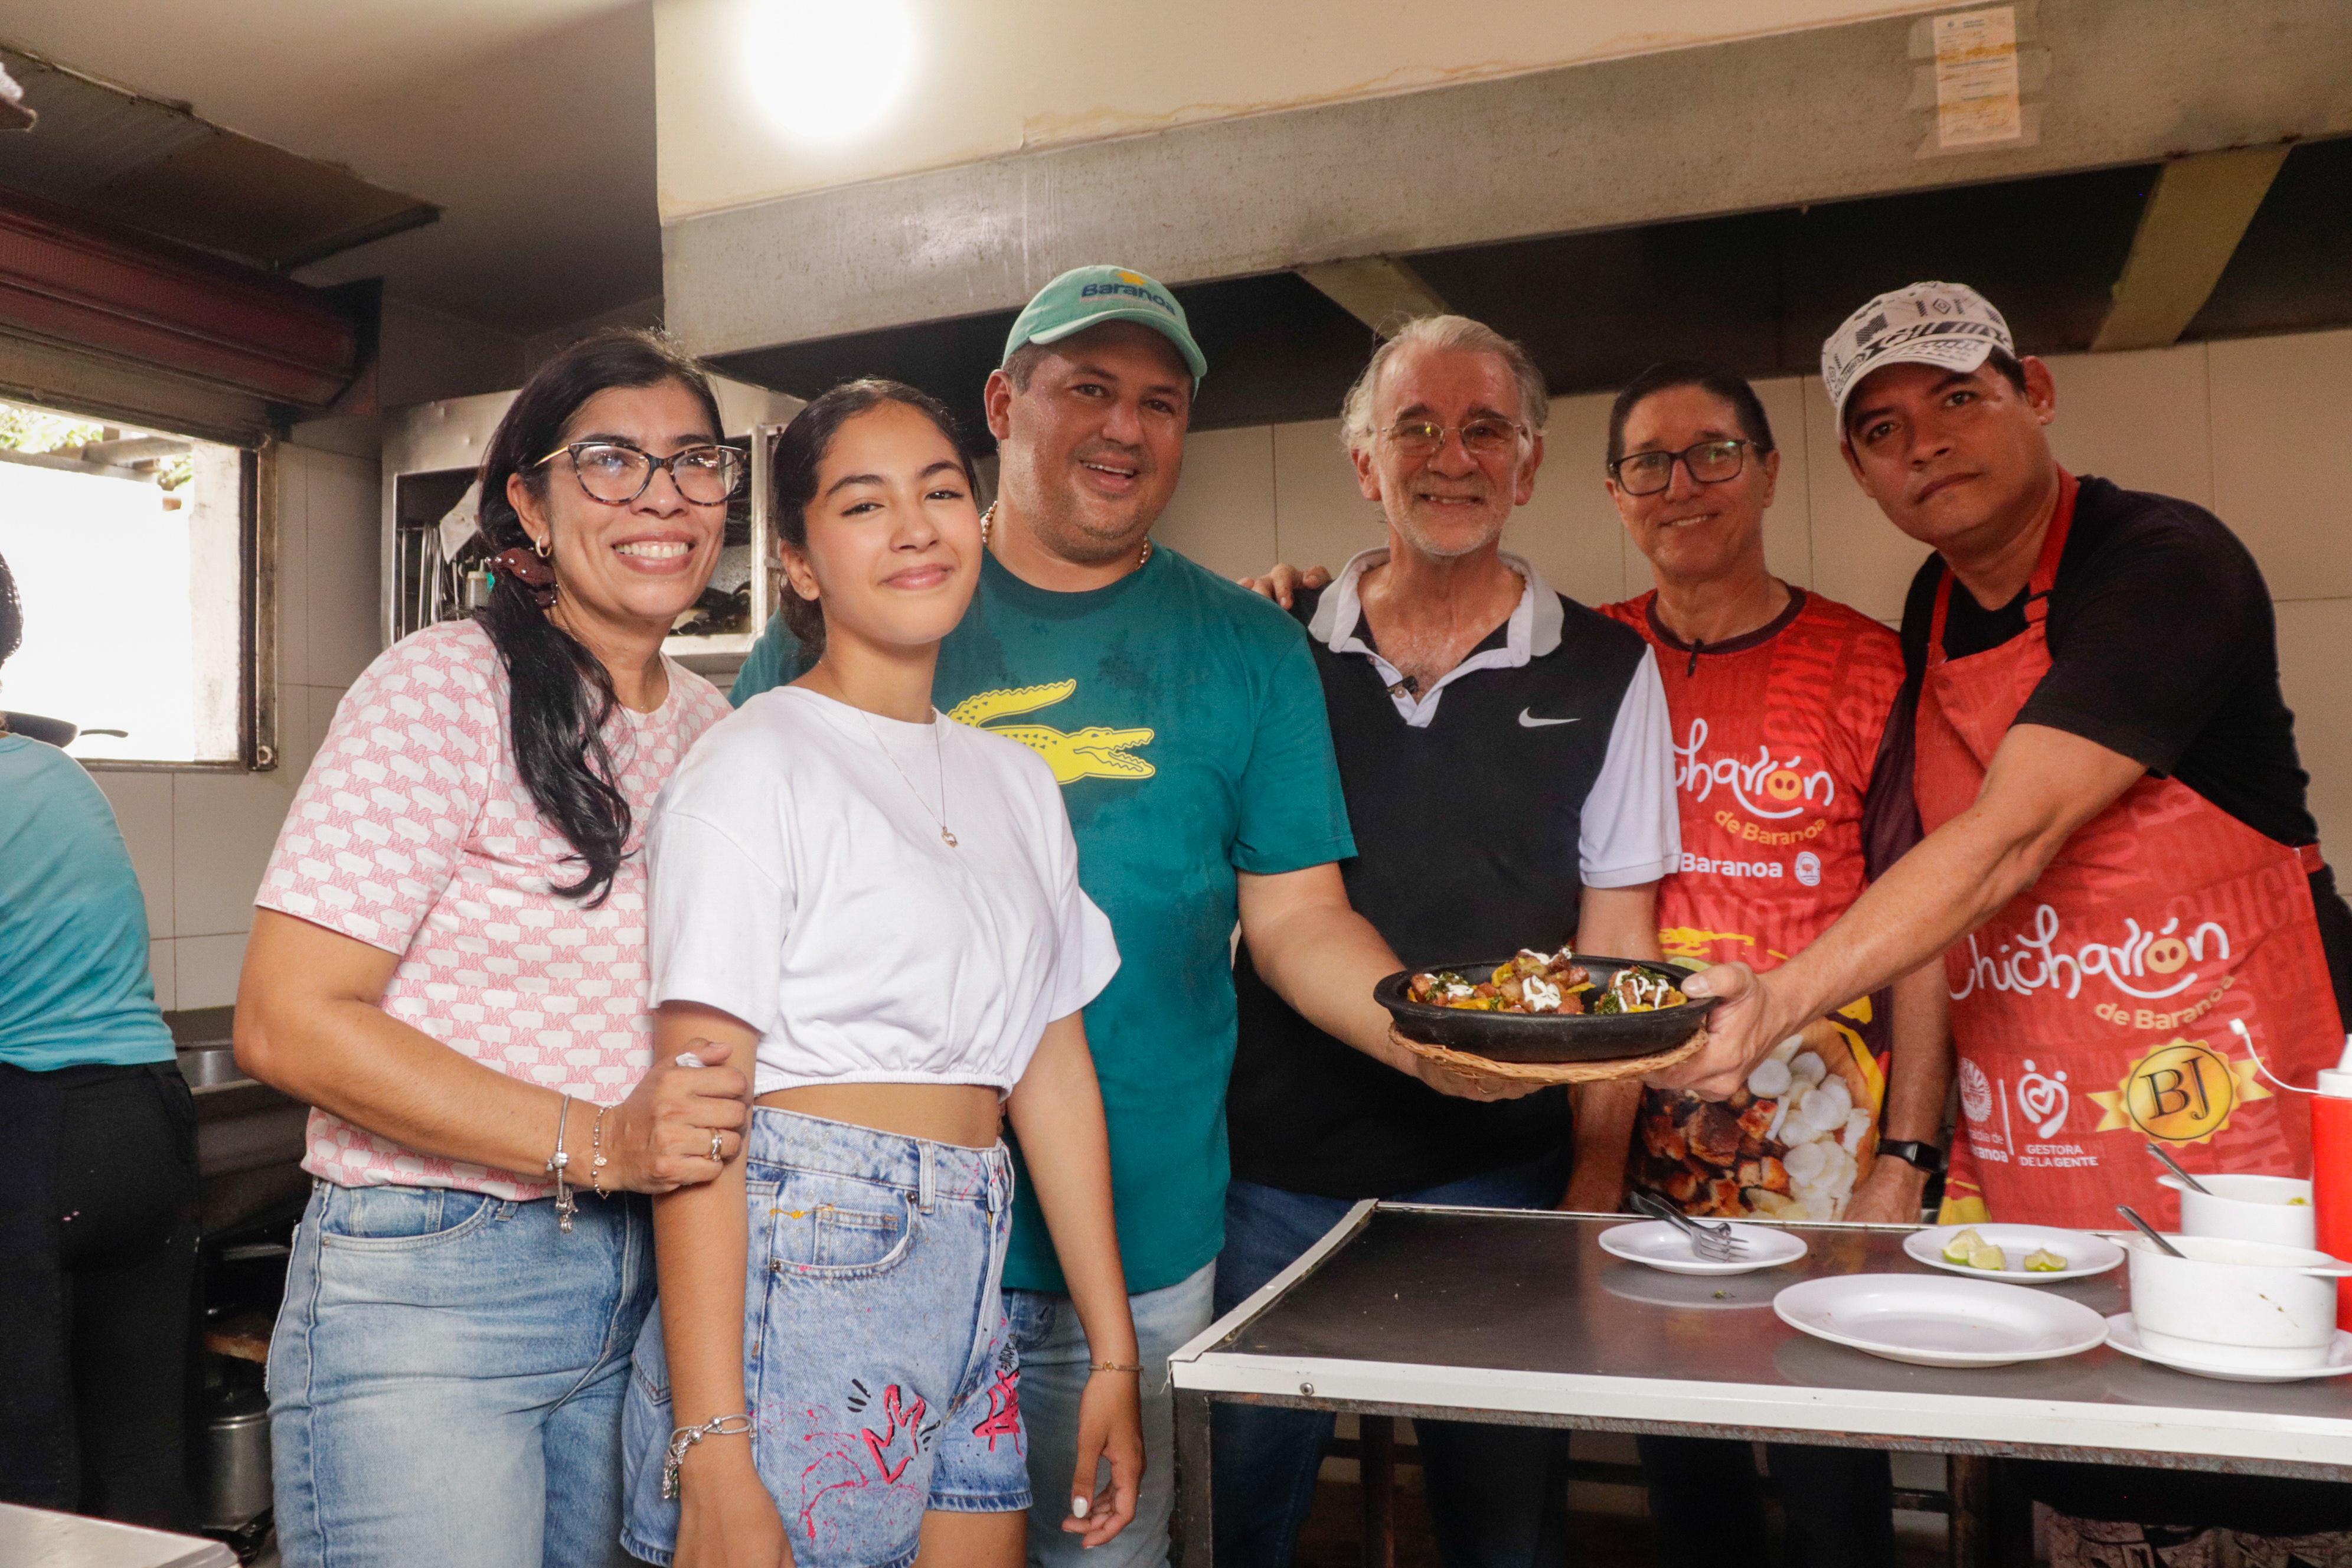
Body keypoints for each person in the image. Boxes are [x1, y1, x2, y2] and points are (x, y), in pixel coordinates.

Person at [729, 266, 1443, 1568]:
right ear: (1004, 403)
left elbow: (1295, 921)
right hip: (856, 1250)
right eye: (1088, 389)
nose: (1125, 427)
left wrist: (1431, 1034)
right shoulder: (834, 627)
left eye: (1160, 401)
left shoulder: (1247, 648)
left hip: (1144, 1230)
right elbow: (726, 996)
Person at [1662, 280, 2352, 1562]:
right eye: (1880, 428)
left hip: (2239, 1116)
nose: (1923, 441)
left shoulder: (2165, 561)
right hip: (2044, 1135)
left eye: (1958, 398)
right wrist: (1918, 1145)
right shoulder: (1936, 606)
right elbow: (1944, 880)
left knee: (2268, 1469)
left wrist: (1782, 992)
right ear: (1859, 471)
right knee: (2065, 1468)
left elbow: (2011, 835)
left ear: (2034, 393)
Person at [234, 330, 755, 1568]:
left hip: (646, 1276)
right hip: (437, 1280)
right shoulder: (442, 688)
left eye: (695, 462)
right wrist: (601, 1136)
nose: (662, 497)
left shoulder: (713, 725)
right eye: (611, 461)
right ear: (528, 497)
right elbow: (289, 1017)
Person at [619, 380, 1145, 1568]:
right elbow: (699, 1110)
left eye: (942, 491)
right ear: (799, 562)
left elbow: (1051, 1069)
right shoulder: (753, 763)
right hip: (802, 1268)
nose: (916, 527)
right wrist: (713, 1441)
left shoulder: (1015, 780)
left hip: (974, 1259)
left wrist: (1113, 1350)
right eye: (866, 504)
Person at [1219, 315, 1674, 1568]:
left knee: (1499, 1533)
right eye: (1414, 424)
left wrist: (1590, 1182)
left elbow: (1614, 946)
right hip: (1274, 1177)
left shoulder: (1610, 667)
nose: (1450, 455)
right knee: (1238, 1519)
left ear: (1528, 466)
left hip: (1502, 1179)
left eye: (1485, 428)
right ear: (1365, 462)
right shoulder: (1275, 650)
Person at [1597, 362, 1952, 1568]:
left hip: (1823, 1154)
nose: (1682, 483)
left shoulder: (1865, 666)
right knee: (1682, 1480)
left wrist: (1905, 1158)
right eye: (1651, 460)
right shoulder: (1591, 663)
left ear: (1767, 473)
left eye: (1714, 453)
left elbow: (1928, 927)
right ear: (1614, 492)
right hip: (1626, 1151)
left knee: (1832, 1485)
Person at [0, 550, 198, 1530]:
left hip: (36, 1133)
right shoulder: (58, 775)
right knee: (141, 1457)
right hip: (142, 1125)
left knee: (22, 1473)